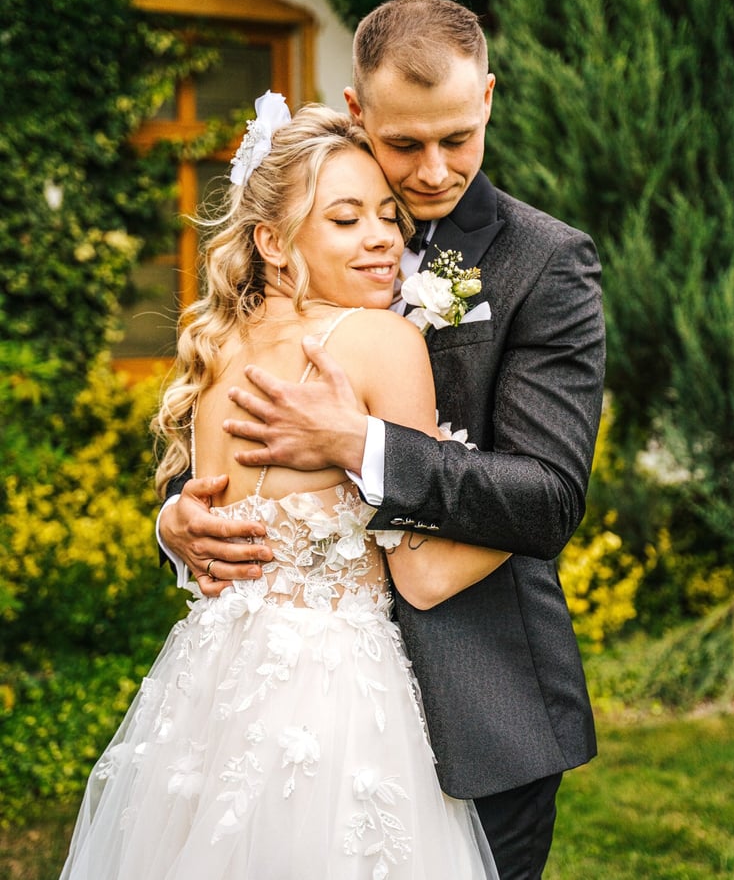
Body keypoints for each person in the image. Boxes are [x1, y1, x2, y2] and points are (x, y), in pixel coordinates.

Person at [160, 0, 606, 880]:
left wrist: (360, 443)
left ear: (487, 97)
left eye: (456, 139)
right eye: (404, 145)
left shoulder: (544, 263)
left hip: (482, 703)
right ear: (358, 111)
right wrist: (176, 519)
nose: (434, 171)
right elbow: (219, 421)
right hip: (283, 697)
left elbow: (549, 492)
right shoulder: (307, 224)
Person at [60, 98, 506, 879]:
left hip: (208, 692)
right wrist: (543, 508)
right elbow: (424, 575)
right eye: (346, 219)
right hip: (334, 703)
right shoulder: (383, 341)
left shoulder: (218, 349)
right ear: (272, 239)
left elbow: (205, 514)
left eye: (387, 215)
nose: (383, 240)